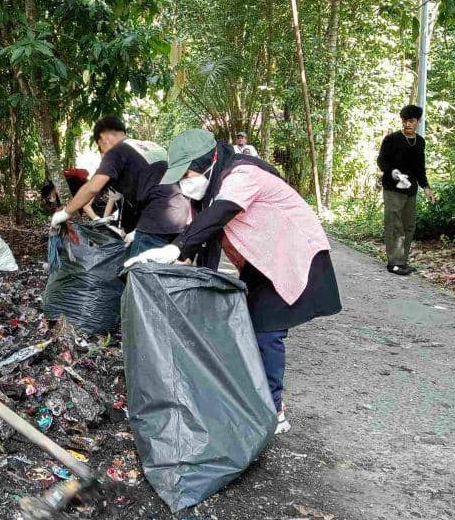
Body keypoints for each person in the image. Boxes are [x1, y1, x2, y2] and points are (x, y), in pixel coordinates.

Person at [124, 130, 341, 433]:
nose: (185, 181)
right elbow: (206, 239)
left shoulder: (242, 174)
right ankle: (258, 398)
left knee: (267, 330)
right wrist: (175, 263)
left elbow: (221, 213)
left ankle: (273, 411)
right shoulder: (210, 189)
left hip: (292, 251)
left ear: (208, 161)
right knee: (250, 327)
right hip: (262, 259)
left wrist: (176, 248)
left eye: (187, 173)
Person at [50, 117, 191, 258]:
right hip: (183, 215)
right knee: (166, 271)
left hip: (158, 217)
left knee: (139, 274)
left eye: (101, 148)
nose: (103, 153)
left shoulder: (117, 150)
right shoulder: (153, 146)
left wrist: (65, 213)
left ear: (102, 139)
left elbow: (92, 187)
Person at [377, 104, 435, 276]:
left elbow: (420, 168)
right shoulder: (391, 139)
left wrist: (426, 187)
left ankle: (402, 261)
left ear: (418, 121)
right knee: (395, 225)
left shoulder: (420, 142)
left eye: (411, 121)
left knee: (409, 226)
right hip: (393, 188)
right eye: (405, 121)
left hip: (410, 190)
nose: (407, 124)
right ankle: (393, 263)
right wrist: (393, 172)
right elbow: (381, 161)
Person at [40, 168, 116, 219]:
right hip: (86, 192)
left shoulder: (67, 183)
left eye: (49, 197)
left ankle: (110, 218)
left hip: (89, 188)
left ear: (50, 192)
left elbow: (75, 200)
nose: (50, 199)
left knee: (95, 206)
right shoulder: (59, 193)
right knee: (93, 208)